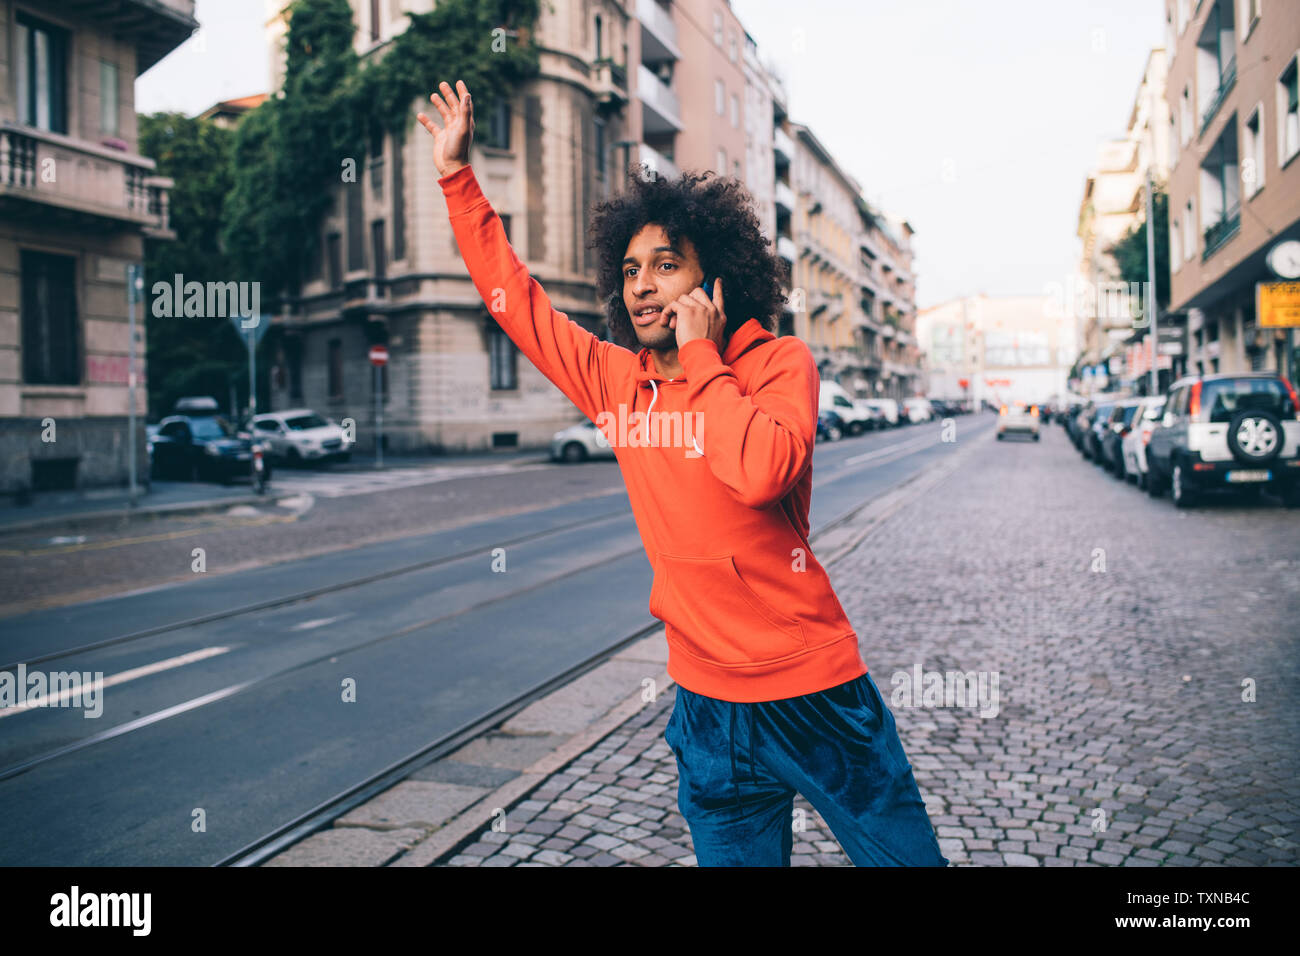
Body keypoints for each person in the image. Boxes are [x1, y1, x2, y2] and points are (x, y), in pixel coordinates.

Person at [418, 81, 948, 868]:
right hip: (707, 708)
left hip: (814, 694)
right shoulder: (615, 380)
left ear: (717, 277)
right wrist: (459, 178)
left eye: (666, 265)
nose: (641, 285)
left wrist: (703, 356)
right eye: (631, 269)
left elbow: (759, 471)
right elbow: (516, 304)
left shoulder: (778, 364)